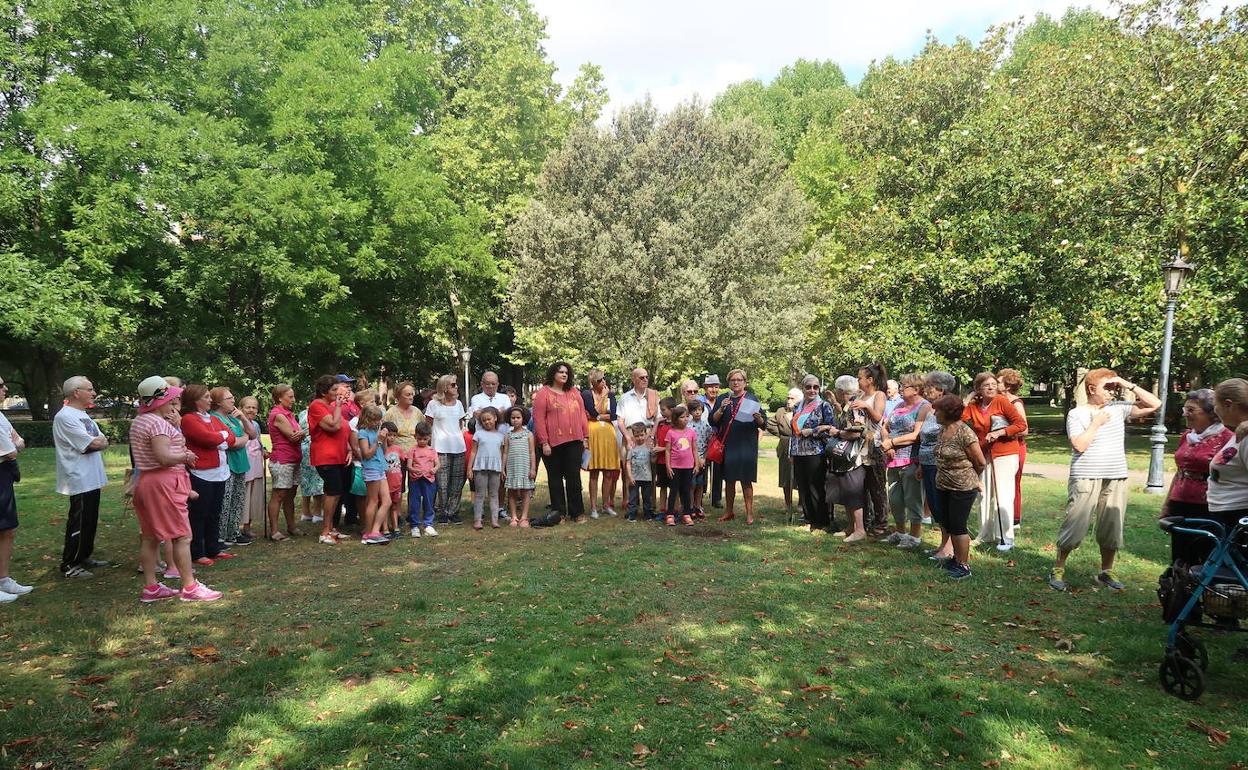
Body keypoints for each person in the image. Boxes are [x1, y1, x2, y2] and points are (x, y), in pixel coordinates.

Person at [1047, 368, 1161, 592]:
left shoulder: (1118, 408)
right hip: (1086, 475)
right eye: (1107, 387)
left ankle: (1106, 571)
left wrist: (1126, 383)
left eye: (1114, 387)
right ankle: (1058, 569)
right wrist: (1096, 423)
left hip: (1116, 474)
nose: (1112, 392)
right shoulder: (1077, 413)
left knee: (1112, 526)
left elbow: (1155, 404)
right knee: (1075, 524)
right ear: (1091, 389)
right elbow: (1079, 445)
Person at [129, 378, 222, 602]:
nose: (174, 402)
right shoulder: (158, 424)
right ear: (161, 399)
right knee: (182, 536)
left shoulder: (140, 421)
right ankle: (190, 587)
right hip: (163, 483)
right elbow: (163, 457)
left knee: (150, 537)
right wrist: (185, 455)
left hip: (145, 482)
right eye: (171, 398)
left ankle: (151, 588)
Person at [1161, 388, 1234, 564]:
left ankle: (1201, 589)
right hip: (1180, 501)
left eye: (1191, 410)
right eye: (1185, 409)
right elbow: (1180, 471)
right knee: (1180, 552)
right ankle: (1178, 587)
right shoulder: (1187, 436)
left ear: (1211, 413)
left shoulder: (1227, 437)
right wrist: (1167, 503)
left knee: (1204, 552)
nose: (1186, 414)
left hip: (1208, 505)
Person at [53, 376, 111, 578]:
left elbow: (102, 439)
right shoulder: (65, 416)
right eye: (90, 389)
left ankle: (84, 556)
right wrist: (99, 442)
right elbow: (91, 444)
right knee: (78, 522)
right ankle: (70, 564)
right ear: (76, 392)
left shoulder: (83, 415)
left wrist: (99, 442)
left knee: (90, 520)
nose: (94, 393)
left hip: (92, 477)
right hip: (79, 478)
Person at [962, 372, 1027, 551]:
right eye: (986, 385)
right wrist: (968, 400)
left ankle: (1005, 538)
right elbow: (960, 420)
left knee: (1003, 495)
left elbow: (1021, 425)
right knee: (983, 494)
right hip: (983, 454)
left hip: (1005, 453)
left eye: (993, 384)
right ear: (978, 389)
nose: (991, 387)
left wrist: (1000, 432)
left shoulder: (1002, 402)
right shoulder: (974, 406)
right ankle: (985, 534)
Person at [181, 384, 241, 564]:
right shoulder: (189, 419)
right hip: (202, 473)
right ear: (195, 400)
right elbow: (206, 438)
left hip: (219, 472)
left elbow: (230, 438)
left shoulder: (212, 419)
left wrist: (219, 438)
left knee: (215, 511)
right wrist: (219, 437)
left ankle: (213, 548)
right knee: (200, 513)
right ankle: (197, 552)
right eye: (206, 397)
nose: (210, 400)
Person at [931, 395, 987, 580]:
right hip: (943, 484)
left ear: (948, 413)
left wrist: (973, 479)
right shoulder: (943, 430)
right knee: (947, 522)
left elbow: (979, 462)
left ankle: (964, 566)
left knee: (958, 525)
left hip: (962, 486)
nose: (934, 413)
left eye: (938, 410)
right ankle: (955, 558)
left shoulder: (965, 432)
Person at [880, 373, 932, 549]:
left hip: (912, 460)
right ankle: (900, 532)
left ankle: (915, 536)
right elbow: (884, 427)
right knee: (895, 498)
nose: (901, 389)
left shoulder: (924, 407)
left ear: (916, 389)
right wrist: (889, 445)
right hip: (893, 459)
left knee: (913, 498)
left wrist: (892, 442)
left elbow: (917, 435)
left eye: (904, 386)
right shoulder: (899, 405)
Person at [533, 362, 589, 523]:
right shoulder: (543, 393)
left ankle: (577, 512)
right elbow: (538, 420)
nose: (564, 375)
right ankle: (559, 513)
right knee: (555, 479)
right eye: (560, 372)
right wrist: (544, 442)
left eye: (566, 372)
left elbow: (582, 415)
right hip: (552, 443)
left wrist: (586, 437)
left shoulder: (574, 392)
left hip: (574, 441)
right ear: (553, 374)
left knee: (574, 478)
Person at [710, 369, 767, 524]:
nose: (736, 382)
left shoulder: (751, 398)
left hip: (747, 446)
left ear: (745, 382)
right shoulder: (723, 398)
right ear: (728, 383)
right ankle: (729, 511)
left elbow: (764, 424)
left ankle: (749, 514)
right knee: (729, 480)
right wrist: (721, 409)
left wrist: (759, 418)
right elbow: (713, 420)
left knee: (746, 480)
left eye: (739, 380)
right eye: (733, 380)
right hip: (729, 445)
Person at [917, 371, 958, 562]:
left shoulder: (950, 409)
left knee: (942, 506)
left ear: (941, 390)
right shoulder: (931, 409)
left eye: (929, 387)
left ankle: (949, 548)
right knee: (934, 505)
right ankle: (942, 545)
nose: (925, 390)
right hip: (926, 464)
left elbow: (950, 437)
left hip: (940, 465)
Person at [308, 374, 353, 544]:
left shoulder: (330, 406)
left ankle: (332, 528)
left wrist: (349, 449)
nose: (337, 392)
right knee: (332, 492)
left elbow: (345, 429)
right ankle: (325, 531)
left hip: (339, 456)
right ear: (323, 391)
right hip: (326, 456)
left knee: (337, 492)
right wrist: (339, 406)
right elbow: (334, 426)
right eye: (334, 389)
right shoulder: (317, 406)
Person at [210, 387, 257, 547]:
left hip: (240, 463)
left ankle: (233, 533)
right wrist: (244, 438)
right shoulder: (215, 418)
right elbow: (231, 443)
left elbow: (253, 434)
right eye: (229, 398)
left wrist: (243, 418)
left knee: (237, 500)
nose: (233, 400)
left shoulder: (233, 418)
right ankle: (220, 536)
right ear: (218, 403)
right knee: (225, 501)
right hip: (227, 465)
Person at [1204, 379, 1248, 547]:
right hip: (1227, 516)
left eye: (1216, 404)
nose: (1215, 410)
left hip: (1239, 519)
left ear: (1228, 404)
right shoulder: (1240, 432)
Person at [789, 376, 836, 532]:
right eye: (808, 387)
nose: (812, 390)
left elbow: (831, 429)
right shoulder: (797, 407)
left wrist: (813, 432)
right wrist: (791, 452)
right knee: (803, 487)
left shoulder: (824, 405)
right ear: (803, 388)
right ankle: (808, 519)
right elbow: (793, 432)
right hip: (799, 452)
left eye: (815, 387)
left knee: (816, 487)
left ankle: (821, 521)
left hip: (816, 452)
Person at [826, 376, 869, 542]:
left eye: (837, 389)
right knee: (845, 493)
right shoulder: (847, 405)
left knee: (853, 494)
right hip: (845, 459)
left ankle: (860, 530)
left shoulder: (855, 406)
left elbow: (857, 432)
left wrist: (836, 432)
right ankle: (851, 527)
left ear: (841, 390)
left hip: (854, 458)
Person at [0, 375, 30, 601]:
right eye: (0, 385)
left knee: (8, 529)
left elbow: (19, 441)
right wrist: (15, 445)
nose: (5, 388)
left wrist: (15, 444)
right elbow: (10, 451)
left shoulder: (1, 415)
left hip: (5, 475)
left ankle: (3, 579)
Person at [850, 364, 889, 534]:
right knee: (861, 487)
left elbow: (878, 417)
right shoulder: (859, 395)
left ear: (870, 380)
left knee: (877, 487)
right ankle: (864, 522)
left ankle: (881, 524)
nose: (857, 381)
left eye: (860, 378)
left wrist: (866, 406)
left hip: (874, 447)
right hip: (859, 447)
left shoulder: (878, 395)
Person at [425, 374, 467, 525]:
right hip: (440, 448)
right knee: (442, 483)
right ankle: (442, 511)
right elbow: (428, 425)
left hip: (458, 447)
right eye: (453, 385)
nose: (456, 388)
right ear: (444, 387)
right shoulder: (433, 405)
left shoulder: (459, 404)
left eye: (456, 385)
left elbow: (460, 424)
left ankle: (453, 511)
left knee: (457, 482)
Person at [468, 371, 510, 519]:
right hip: (483, 443)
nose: (491, 386)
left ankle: (499, 507)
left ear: (498, 384)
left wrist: (488, 414)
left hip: (502, 441)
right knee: (482, 475)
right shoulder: (476, 398)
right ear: (482, 384)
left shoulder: (504, 398)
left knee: (500, 475)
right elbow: (477, 415)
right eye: (487, 384)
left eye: (493, 384)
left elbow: (508, 416)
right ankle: (480, 509)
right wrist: (498, 414)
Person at [266, 384, 304, 541]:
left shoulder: (289, 414)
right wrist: (302, 433)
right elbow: (293, 436)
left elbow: (298, 434)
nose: (293, 400)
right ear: (279, 397)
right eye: (290, 396)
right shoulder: (278, 415)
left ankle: (291, 526)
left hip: (294, 458)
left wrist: (300, 433)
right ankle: (274, 531)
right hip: (282, 460)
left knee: (291, 494)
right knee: (279, 494)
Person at [582, 369, 620, 518]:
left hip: (609, 435)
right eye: (599, 380)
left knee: (609, 472)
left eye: (604, 379)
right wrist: (598, 413)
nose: (603, 382)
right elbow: (592, 412)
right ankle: (593, 507)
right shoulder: (586, 394)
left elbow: (613, 415)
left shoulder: (611, 395)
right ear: (593, 382)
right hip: (593, 435)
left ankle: (606, 505)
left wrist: (597, 416)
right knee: (594, 472)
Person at [996, 369, 1029, 526]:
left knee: (1013, 482)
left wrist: (1003, 432)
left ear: (1008, 386)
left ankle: (1015, 519)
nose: (996, 384)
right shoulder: (997, 400)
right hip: (1000, 447)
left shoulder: (1015, 403)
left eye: (999, 381)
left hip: (1016, 447)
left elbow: (1024, 429)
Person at [658, 404, 700, 526]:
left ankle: (686, 514)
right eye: (682, 417)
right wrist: (668, 466)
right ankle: (670, 514)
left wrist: (696, 464)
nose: (686, 419)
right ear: (676, 419)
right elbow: (667, 450)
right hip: (675, 467)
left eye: (687, 416)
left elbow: (694, 449)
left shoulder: (691, 432)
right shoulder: (671, 433)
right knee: (674, 490)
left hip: (688, 467)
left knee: (686, 491)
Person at [355, 404, 390, 545]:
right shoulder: (363, 433)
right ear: (367, 419)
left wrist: (384, 438)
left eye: (379, 420)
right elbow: (367, 454)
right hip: (371, 469)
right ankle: (368, 533)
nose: (377, 423)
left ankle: (375, 531)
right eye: (375, 420)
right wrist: (378, 441)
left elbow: (385, 449)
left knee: (387, 501)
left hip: (380, 467)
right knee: (373, 501)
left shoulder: (377, 431)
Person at [468, 406, 505, 530]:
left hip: (495, 468)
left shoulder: (501, 436)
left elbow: (502, 453)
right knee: (480, 494)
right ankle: (478, 520)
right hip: (480, 468)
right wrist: (470, 468)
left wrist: (502, 469)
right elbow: (473, 452)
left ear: (495, 418)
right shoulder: (478, 434)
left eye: (489, 419)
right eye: (484, 420)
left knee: (494, 494)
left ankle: (495, 520)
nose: (487, 422)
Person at [767, 388, 800, 519]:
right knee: (785, 476)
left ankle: (802, 504)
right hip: (785, 446)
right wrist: (782, 435)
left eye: (792, 398)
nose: (789, 401)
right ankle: (788, 503)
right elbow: (770, 424)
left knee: (801, 476)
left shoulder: (803, 411)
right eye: (788, 398)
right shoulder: (781, 411)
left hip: (801, 446)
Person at [238, 396, 268, 543]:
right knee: (244, 494)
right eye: (248, 407)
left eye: (254, 407)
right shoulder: (238, 423)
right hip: (245, 463)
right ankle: (239, 526)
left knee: (253, 494)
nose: (251, 410)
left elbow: (259, 441)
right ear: (241, 408)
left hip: (256, 462)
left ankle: (248, 526)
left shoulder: (255, 424)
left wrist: (265, 450)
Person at [502, 406, 536, 528]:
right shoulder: (508, 435)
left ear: (523, 419)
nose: (515, 420)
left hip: (525, 467)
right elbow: (505, 452)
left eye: (518, 417)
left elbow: (532, 452)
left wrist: (533, 468)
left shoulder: (529, 434)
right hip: (512, 467)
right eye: (513, 418)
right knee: (511, 491)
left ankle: (524, 517)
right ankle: (514, 516)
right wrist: (502, 468)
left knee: (526, 491)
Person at [406, 423, 440, 537]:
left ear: (429, 437)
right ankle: (414, 525)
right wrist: (413, 469)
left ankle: (428, 524)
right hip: (415, 480)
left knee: (429, 501)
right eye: (419, 439)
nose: (422, 441)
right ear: (415, 436)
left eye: (425, 439)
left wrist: (434, 469)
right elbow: (409, 465)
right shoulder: (412, 450)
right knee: (414, 502)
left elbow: (437, 464)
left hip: (429, 480)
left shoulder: (432, 450)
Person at [296, 405, 324, 526]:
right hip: (315, 447)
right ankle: (317, 513)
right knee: (317, 480)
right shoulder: (318, 413)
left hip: (303, 448)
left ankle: (306, 512)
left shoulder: (302, 413)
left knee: (306, 480)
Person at [617, 368, 659, 445]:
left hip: (648, 434)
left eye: (646, 377)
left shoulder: (654, 396)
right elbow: (620, 421)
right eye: (642, 377)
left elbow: (658, 419)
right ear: (633, 380)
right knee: (628, 457)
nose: (645, 380)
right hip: (630, 435)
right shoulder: (624, 398)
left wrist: (651, 436)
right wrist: (628, 437)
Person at [624, 422, 656, 522]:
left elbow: (653, 461)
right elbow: (628, 463)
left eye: (642, 435)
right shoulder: (632, 449)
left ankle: (648, 514)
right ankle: (632, 514)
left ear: (645, 434)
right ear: (633, 436)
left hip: (646, 477)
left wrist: (654, 455)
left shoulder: (648, 448)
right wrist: (630, 476)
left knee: (647, 498)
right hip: (635, 478)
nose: (640, 438)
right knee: (633, 498)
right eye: (637, 436)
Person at [701, 375, 724, 507]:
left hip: (718, 439)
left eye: (716, 386)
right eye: (710, 387)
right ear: (705, 388)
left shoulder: (722, 401)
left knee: (717, 469)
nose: (713, 389)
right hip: (702, 439)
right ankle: (701, 496)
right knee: (703, 468)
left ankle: (716, 498)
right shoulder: (700, 401)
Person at [383, 382, 425, 453]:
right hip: (397, 456)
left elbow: (425, 432)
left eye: (412, 394)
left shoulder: (417, 412)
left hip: (417, 455)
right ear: (399, 396)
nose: (411, 397)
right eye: (408, 395)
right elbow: (383, 435)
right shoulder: (390, 413)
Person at [382, 421, 407, 536]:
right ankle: (385, 528)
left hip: (397, 483)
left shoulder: (398, 449)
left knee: (394, 506)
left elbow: (405, 459)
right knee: (385, 506)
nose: (391, 438)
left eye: (394, 435)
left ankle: (395, 528)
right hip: (385, 484)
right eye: (389, 435)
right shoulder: (381, 450)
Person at [688, 399, 712, 516]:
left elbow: (709, 443)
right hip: (691, 459)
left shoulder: (706, 426)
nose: (697, 412)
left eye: (699, 410)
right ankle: (691, 506)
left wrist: (704, 458)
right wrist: (696, 459)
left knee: (700, 484)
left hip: (703, 459)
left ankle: (698, 506)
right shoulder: (688, 426)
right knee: (691, 484)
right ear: (690, 412)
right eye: (694, 410)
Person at [654, 397, 676, 517]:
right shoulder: (661, 424)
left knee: (674, 488)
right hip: (661, 461)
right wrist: (656, 423)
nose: (661, 412)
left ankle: (674, 510)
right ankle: (662, 510)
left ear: (671, 410)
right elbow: (654, 436)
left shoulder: (676, 426)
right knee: (662, 486)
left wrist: (662, 449)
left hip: (673, 462)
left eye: (663, 410)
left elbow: (676, 445)